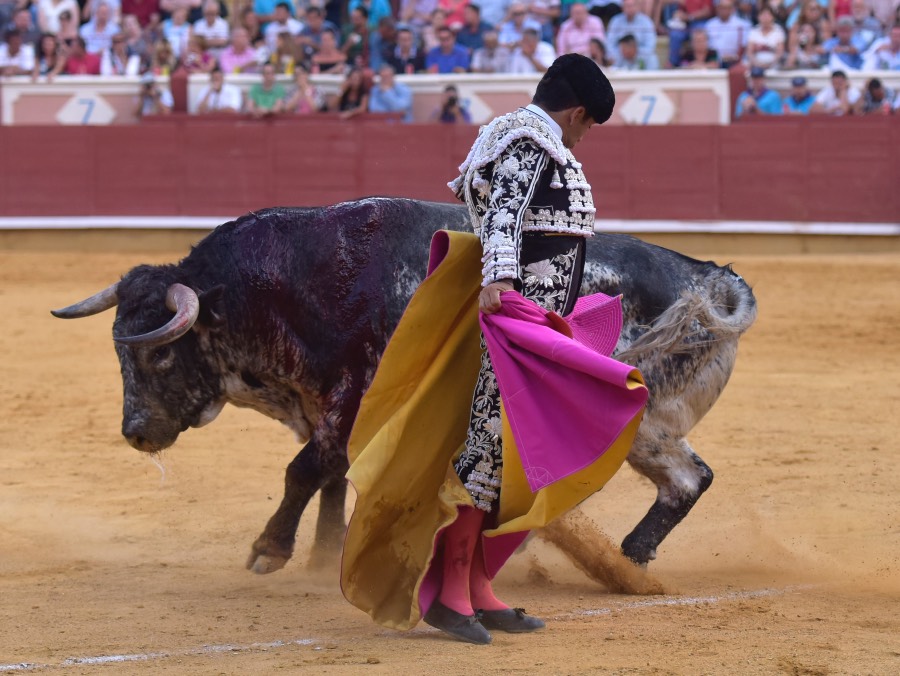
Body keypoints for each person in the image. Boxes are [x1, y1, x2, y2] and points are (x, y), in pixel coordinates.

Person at [343, 53, 618, 645]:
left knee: (506, 453)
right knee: (488, 453)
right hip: (516, 325)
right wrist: (498, 282)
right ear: (574, 112)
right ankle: (451, 593)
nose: (585, 135)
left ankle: (477, 587)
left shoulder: (527, 139)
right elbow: (505, 216)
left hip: (536, 324)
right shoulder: (530, 143)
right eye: (588, 124)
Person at [605, 0, 656, 64]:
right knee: (610, 57)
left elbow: (650, 45)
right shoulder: (615, 21)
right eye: (627, 6)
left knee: (652, 59)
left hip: (640, 55)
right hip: (620, 56)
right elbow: (610, 44)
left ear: (638, 7)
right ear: (622, 8)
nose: (630, 9)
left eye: (632, 6)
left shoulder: (646, 21)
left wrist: (635, 51)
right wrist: (623, 51)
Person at [703, 0, 750, 67]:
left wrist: (734, 56)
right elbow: (706, 46)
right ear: (717, 8)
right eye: (721, 8)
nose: (723, 10)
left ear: (733, 9)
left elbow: (745, 46)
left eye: (726, 8)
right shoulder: (709, 25)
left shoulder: (742, 25)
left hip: (736, 61)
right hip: (714, 62)